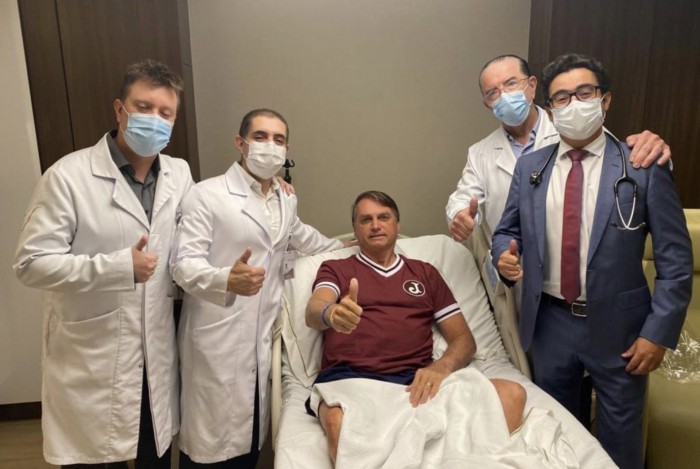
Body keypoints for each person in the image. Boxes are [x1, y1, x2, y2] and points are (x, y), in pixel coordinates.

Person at [491, 53, 693, 469]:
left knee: (621, 440)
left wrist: (658, 334)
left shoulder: (642, 166)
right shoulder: (531, 168)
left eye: (585, 92)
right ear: (550, 110)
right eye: (562, 98)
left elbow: (675, 261)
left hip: (621, 329)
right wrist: (503, 257)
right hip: (549, 325)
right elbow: (506, 231)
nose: (574, 104)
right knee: (556, 436)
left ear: (605, 100)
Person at [13, 59, 193, 468]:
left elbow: (201, 227)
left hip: (154, 355)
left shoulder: (179, 174)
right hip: (91, 354)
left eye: (165, 113)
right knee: (92, 458)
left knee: (152, 454)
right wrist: (118, 268)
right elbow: (31, 263)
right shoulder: (67, 176)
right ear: (119, 109)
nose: (154, 119)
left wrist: (266, 184)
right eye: (143, 107)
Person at [171, 108, 347, 468]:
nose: (270, 145)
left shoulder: (285, 198)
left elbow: (303, 237)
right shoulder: (206, 195)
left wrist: (349, 248)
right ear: (241, 143)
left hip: (261, 337)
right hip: (217, 338)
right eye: (261, 137)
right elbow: (181, 265)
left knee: (249, 443)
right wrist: (225, 279)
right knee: (207, 449)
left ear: (287, 149)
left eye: (279, 139)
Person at [305, 191, 526, 464]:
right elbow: (314, 310)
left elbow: (464, 340)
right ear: (355, 228)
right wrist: (331, 313)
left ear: (397, 224)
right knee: (338, 423)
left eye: (383, 217)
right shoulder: (336, 269)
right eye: (366, 220)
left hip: (416, 383)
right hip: (351, 380)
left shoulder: (425, 273)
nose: (375, 225)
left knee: (511, 394)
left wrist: (440, 368)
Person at [446, 54, 671, 242]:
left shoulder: (575, 129)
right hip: (510, 263)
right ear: (487, 104)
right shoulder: (480, 153)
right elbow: (464, 199)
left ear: (532, 85)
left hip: (566, 261)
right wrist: (459, 215)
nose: (504, 95)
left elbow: (626, 162)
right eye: (492, 92)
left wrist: (653, 150)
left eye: (511, 83)